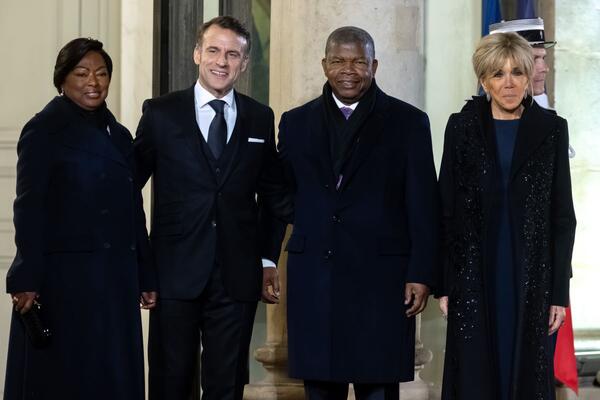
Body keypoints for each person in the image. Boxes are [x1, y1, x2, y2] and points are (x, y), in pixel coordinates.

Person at [278, 26, 440, 400]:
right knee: (320, 386)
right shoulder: (295, 122)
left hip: (382, 280)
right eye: (338, 61)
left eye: (358, 62)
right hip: (315, 275)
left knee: (378, 386)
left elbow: (423, 204)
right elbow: (279, 191)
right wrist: (309, 219)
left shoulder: (409, 122)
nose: (348, 70)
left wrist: (421, 273)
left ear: (374, 65)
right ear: (324, 65)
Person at [134, 16, 289, 400]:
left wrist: (267, 259)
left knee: (227, 386)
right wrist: (142, 262)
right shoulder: (161, 113)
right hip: (173, 273)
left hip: (237, 276)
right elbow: (127, 190)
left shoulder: (259, 117)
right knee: (171, 383)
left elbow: (274, 195)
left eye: (233, 54)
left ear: (245, 63)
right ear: (197, 53)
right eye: (214, 50)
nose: (222, 61)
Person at [4, 38, 157, 400]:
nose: (94, 82)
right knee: (66, 379)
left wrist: (145, 273)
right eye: (82, 73)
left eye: (102, 73)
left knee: (112, 378)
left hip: (115, 280)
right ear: (62, 79)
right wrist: (26, 277)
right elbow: (29, 207)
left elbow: (133, 210)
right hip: (65, 282)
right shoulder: (43, 130)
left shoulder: (120, 136)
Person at [437, 32, 576, 400]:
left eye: (517, 72)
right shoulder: (460, 127)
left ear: (529, 76)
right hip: (472, 276)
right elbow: (446, 210)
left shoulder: (552, 129)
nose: (509, 83)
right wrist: (445, 283)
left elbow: (563, 217)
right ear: (484, 81)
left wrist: (559, 293)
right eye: (498, 74)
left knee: (527, 374)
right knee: (474, 375)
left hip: (532, 278)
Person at [489, 17, 575, 158]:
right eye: (533, 59)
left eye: (543, 58)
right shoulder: (470, 123)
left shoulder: (552, 122)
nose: (544, 69)